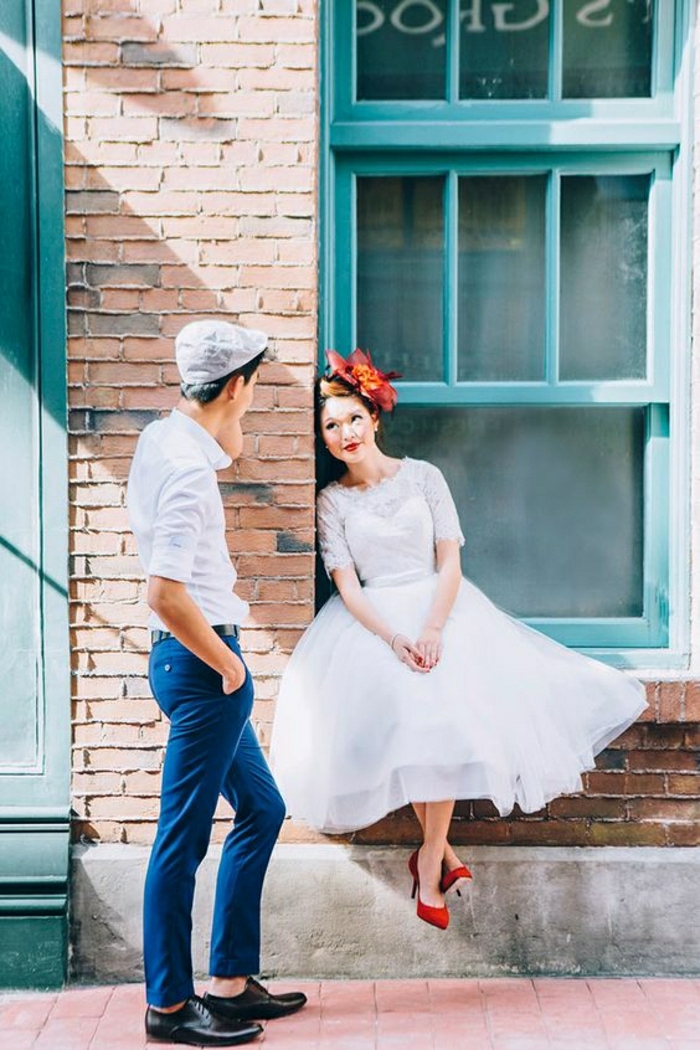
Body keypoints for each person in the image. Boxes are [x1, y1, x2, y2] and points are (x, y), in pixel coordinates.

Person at [270, 348, 648, 931]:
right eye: (330, 426)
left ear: (374, 417)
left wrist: (431, 628)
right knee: (425, 732)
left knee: (442, 727)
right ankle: (437, 855)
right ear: (323, 438)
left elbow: (449, 562)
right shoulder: (332, 501)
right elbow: (348, 586)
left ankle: (427, 858)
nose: (344, 433)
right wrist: (395, 638)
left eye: (352, 419)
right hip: (372, 625)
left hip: (443, 612)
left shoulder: (424, 476)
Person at [127, 320, 307, 1047]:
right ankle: (168, 1007)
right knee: (183, 837)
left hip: (198, 668)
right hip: (203, 668)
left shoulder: (164, 440)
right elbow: (163, 591)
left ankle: (229, 983)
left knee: (262, 810)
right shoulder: (186, 468)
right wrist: (230, 667)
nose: (256, 397)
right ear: (236, 385)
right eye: (255, 384)